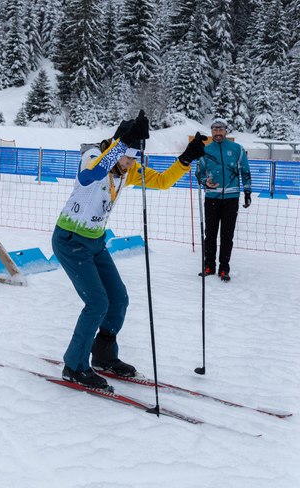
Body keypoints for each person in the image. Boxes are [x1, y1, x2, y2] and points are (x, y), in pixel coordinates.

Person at [52, 110, 207, 390]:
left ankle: (103, 354)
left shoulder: (129, 169)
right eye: (126, 157)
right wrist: (121, 144)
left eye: (134, 158)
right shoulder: (93, 157)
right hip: (71, 241)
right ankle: (74, 365)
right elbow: (89, 177)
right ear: (116, 147)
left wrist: (185, 159)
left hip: (95, 241)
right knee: (97, 303)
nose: (129, 164)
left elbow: (161, 181)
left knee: (118, 299)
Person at [195, 118, 252, 282]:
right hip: (211, 198)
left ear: (226, 131)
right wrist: (205, 181)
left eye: (221, 129)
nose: (218, 132)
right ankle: (209, 266)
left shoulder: (237, 149)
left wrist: (247, 192)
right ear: (211, 131)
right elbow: (199, 173)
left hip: (231, 198)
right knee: (210, 235)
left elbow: (245, 171)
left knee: (227, 236)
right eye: (215, 129)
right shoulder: (205, 150)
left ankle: (224, 268)